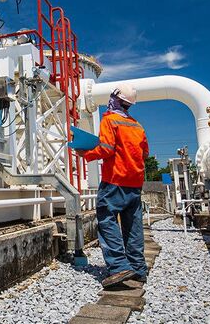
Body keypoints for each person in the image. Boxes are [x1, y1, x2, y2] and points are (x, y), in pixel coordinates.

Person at [76, 84, 149, 288]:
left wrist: (85, 153)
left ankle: (118, 267)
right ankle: (138, 269)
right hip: (135, 182)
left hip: (115, 180)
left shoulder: (109, 120)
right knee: (133, 226)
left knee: (107, 220)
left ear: (115, 99)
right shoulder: (137, 126)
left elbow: (106, 149)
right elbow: (145, 153)